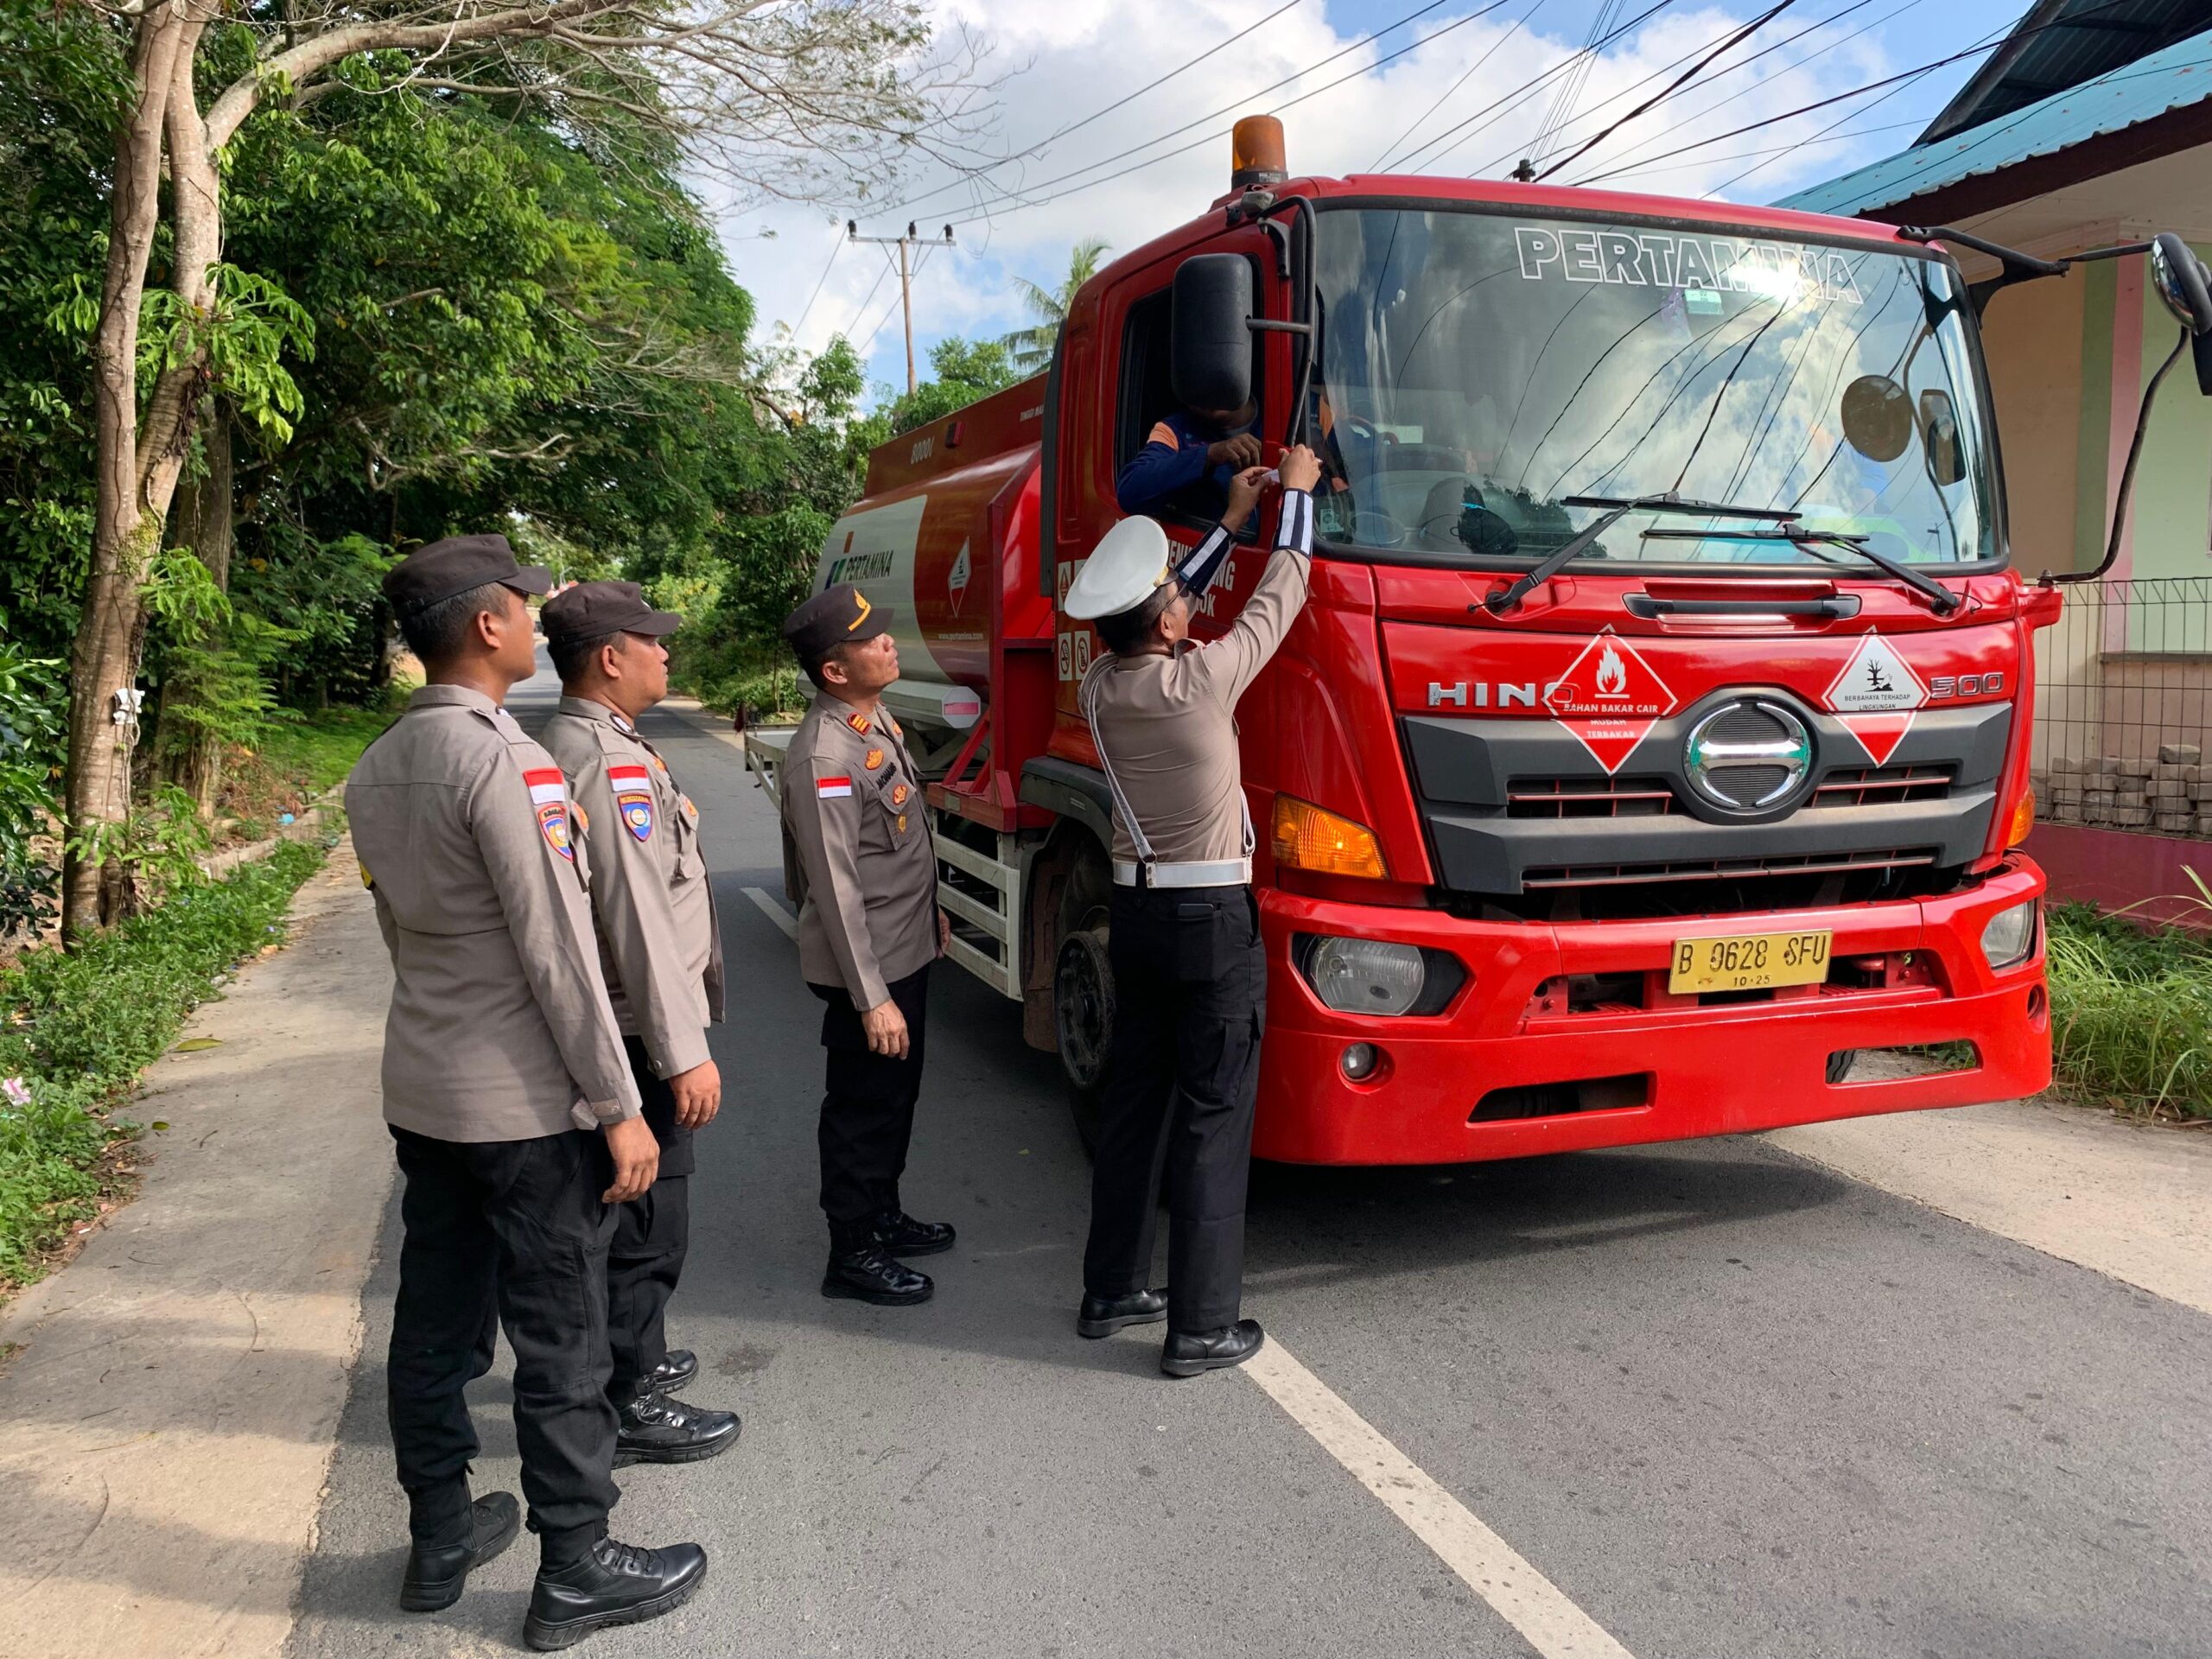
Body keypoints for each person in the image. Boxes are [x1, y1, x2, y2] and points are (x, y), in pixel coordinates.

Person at [348, 534, 708, 1652]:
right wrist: (619, 1104)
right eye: (521, 602)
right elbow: (558, 951)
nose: (529, 616)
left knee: (436, 1322)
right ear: (490, 627)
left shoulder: (377, 766)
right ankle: (575, 1562)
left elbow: (402, 939)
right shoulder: (505, 762)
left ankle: (442, 1536)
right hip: (520, 1109)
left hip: (427, 1091)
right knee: (561, 1330)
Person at [1065, 445, 1323, 1378]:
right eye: (1177, 598)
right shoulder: (1200, 680)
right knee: (1214, 1115)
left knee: (1136, 1105)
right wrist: (1290, 501)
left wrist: (1227, 518)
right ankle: (1200, 1325)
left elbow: (1159, 606)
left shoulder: (1105, 687)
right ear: (1171, 626)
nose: (1187, 600)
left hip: (1137, 920)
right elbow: (1282, 589)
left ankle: (1112, 1290)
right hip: (1212, 920)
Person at [540, 581, 741, 1471]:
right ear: (609, 658)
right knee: (650, 1221)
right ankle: (627, 1398)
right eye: (650, 641)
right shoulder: (601, 759)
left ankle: (640, 1356)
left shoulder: (608, 742)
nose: (667, 654)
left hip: (633, 1024)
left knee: (647, 1214)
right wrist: (681, 1051)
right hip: (636, 1030)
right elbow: (636, 920)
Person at [777, 585, 955, 1306]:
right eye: (870, 639)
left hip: (904, 946)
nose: (888, 642)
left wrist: (932, 913)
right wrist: (871, 997)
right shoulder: (823, 754)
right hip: (869, 967)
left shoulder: (870, 722)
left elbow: (905, 846)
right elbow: (836, 887)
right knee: (861, 1108)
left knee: (896, 1097)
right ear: (833, 672)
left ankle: (882, 1213)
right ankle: (851, 1251)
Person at [1115, 394, 1264, 525]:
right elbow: (1130, 490)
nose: (1206, 387)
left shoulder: (1279, 417)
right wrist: (1208, 455)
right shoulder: (1175, 430)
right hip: (1213, 546)